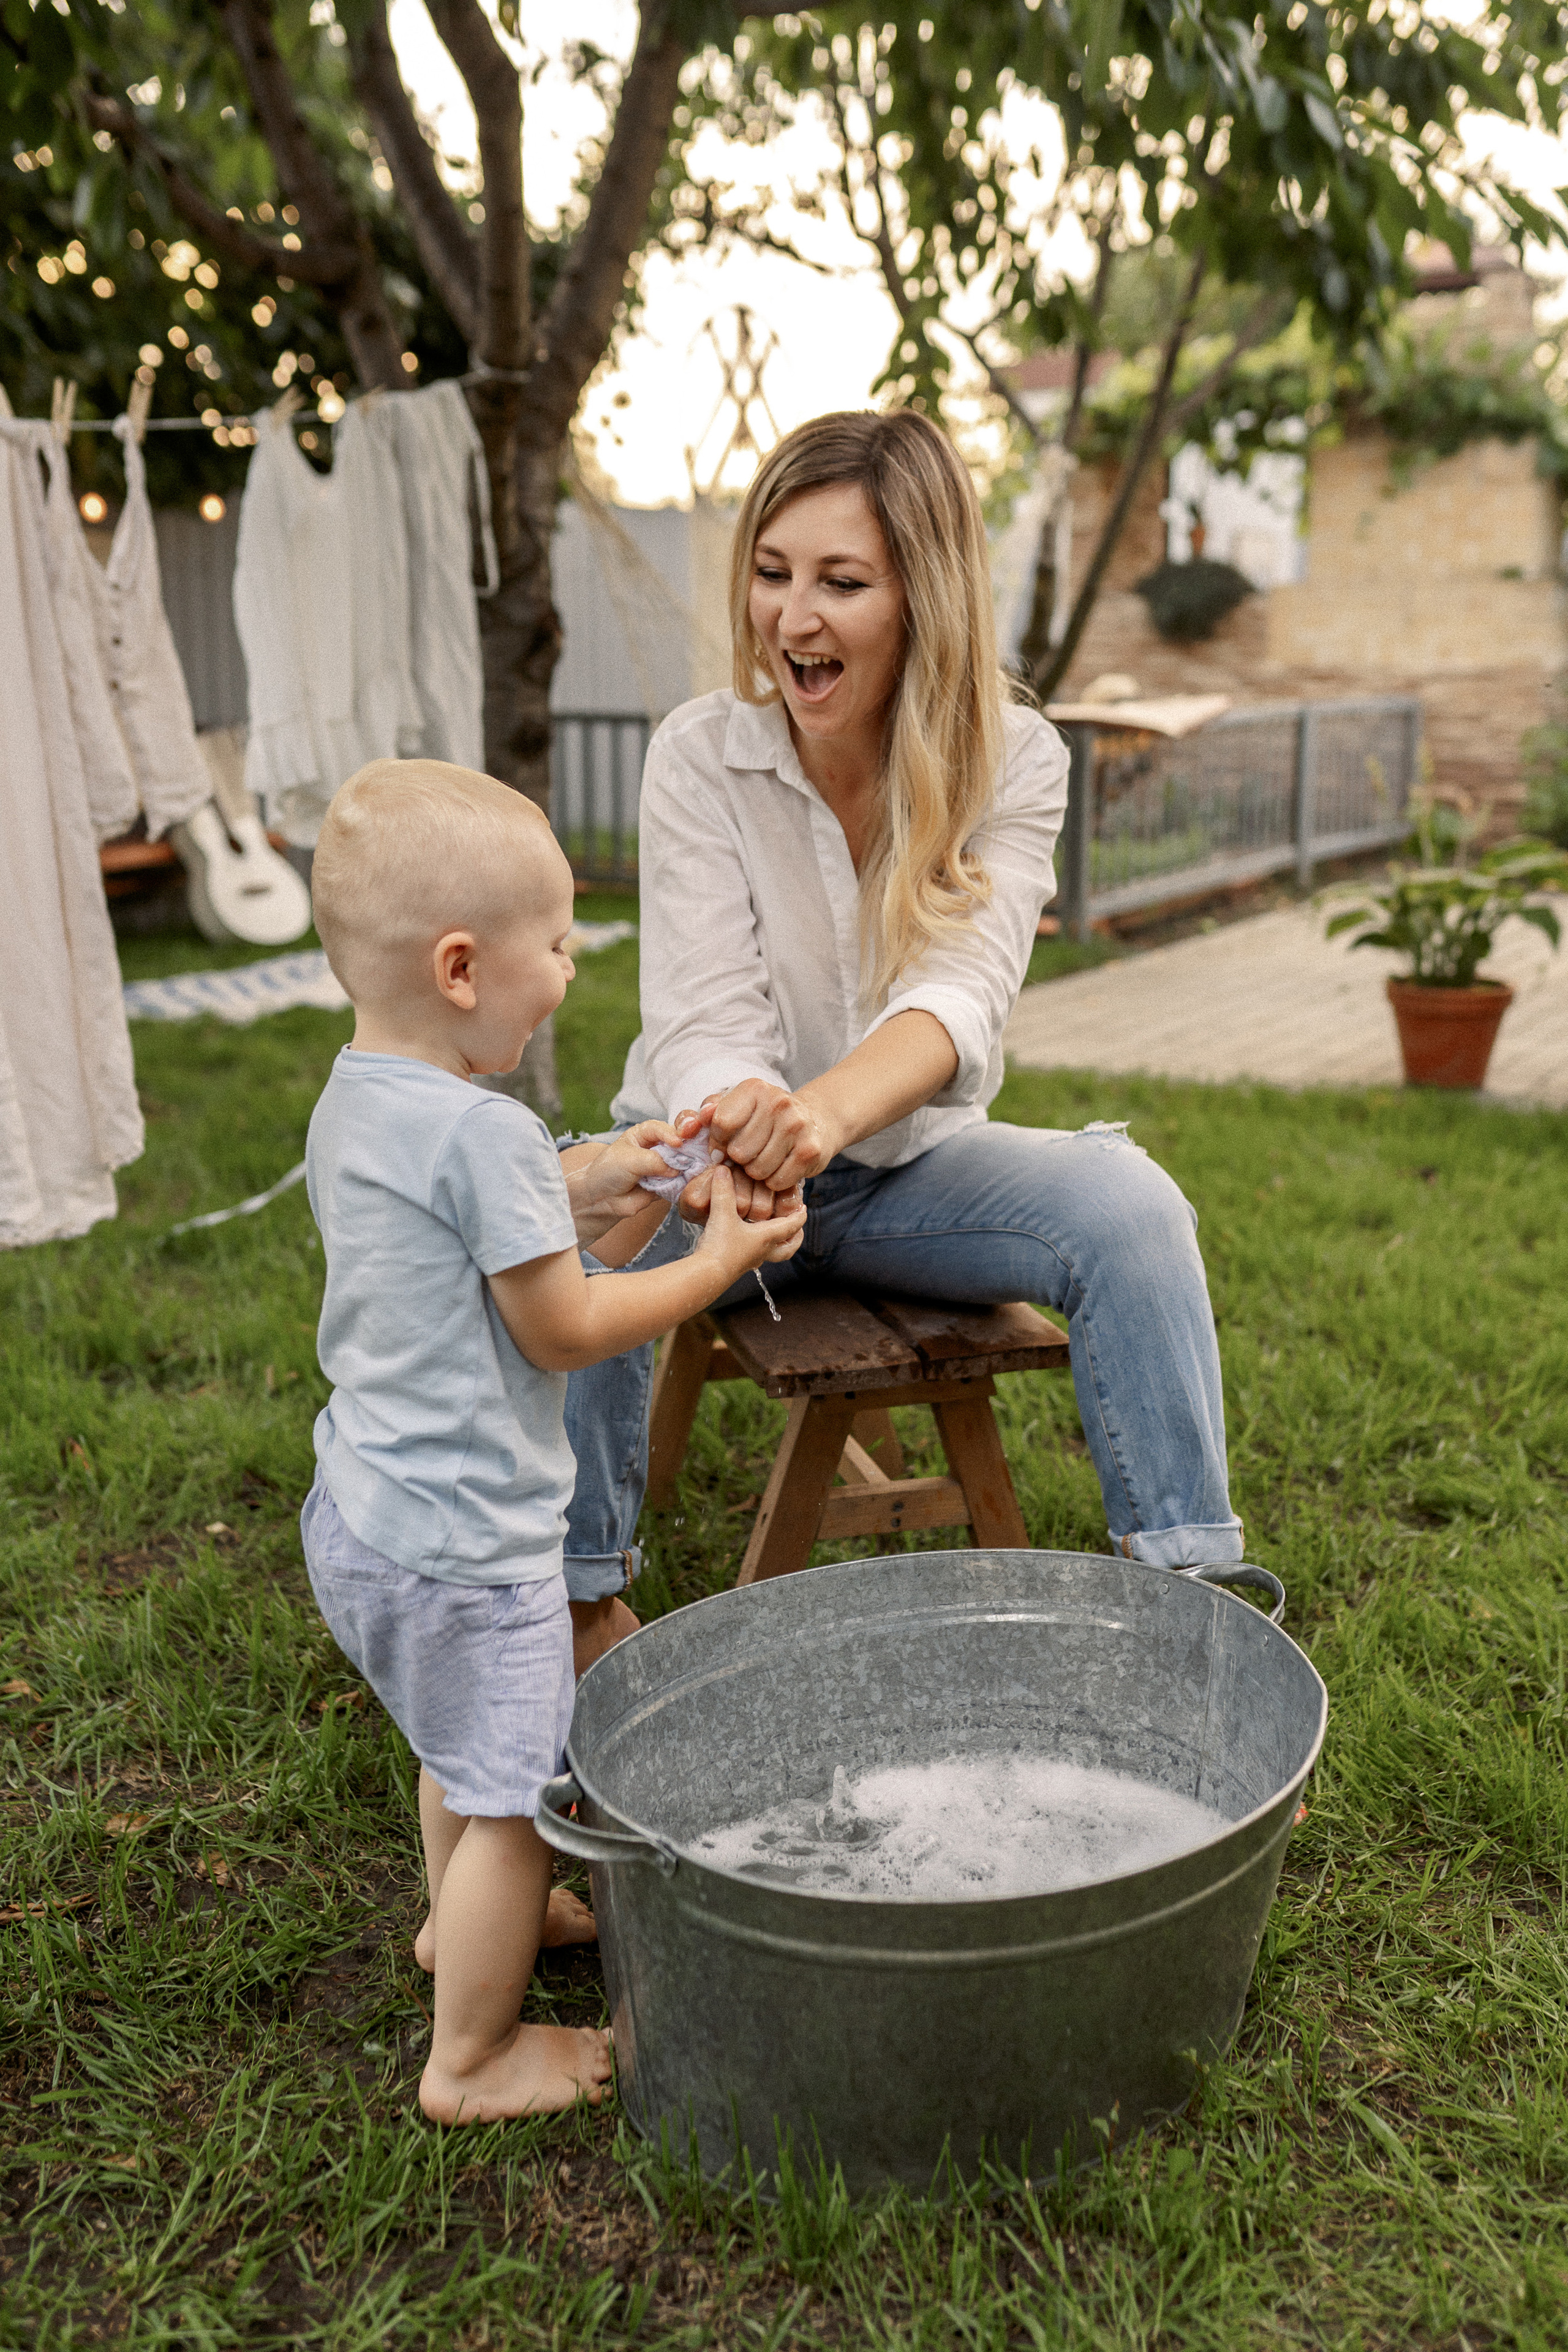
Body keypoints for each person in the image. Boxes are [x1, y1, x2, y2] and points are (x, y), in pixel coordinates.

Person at [561, 408, 1245, 1625]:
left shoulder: (1014, 761)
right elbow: (700, 1013)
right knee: (574, 1254)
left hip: (901, 1181)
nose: (790, 619)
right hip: (701, 1163)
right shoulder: (696, 756)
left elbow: (960, 998)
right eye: (770, 575)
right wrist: (749, 1127)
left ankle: (1195, 1598)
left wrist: (818, 1123)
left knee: (1130, 1209)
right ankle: (568, 1604)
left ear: (921, 598)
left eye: (839, 582)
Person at [300, 758, 805, 2124]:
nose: (572, 970)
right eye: (562, 943)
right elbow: (566, 1328)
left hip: (368, 1516)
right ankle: (473, 2058)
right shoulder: (489, 1134)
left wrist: (628, 1184)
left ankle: (450, 1931)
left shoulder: (359, 1098)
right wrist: (715, 1259)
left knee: (455, 1748)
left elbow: (528, 1258)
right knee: (522, 1798)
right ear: (463, 967)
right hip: (469, 1546)